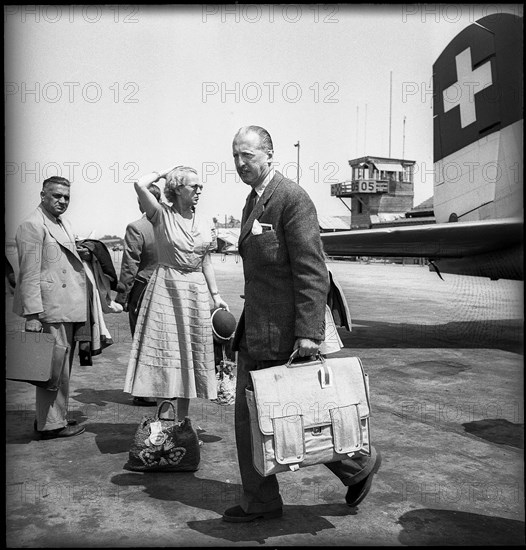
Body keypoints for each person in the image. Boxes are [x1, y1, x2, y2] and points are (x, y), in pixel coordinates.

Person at [222, 126, 382, 523]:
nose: (241, 163)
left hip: (286, 333)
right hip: (256, 330)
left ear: (270, 154)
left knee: (303, 413)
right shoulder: (252, 202)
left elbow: (313, 272)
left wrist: (309, 333)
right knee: (252, 419)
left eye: (248, 155)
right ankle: (261, 501)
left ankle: (359, 463)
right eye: (235, 156)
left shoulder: (291, 199)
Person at [123, 166, 229, 423]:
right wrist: (163, 173)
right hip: (167, 290)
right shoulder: (160, 214)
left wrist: (215, 295)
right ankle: (164, 425)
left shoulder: (205, 221)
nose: (199, 191)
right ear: (177, 188)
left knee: (190, 357)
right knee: (167, 356)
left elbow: (206, 262)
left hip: (195, 292)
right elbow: (139, 184)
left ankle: (181, 426)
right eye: (193, 186)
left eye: (201, 186)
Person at [13, 176, 89, 439]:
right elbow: (29, 275)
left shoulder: (60, 223)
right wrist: (32, 316)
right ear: (43, 195)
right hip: (49, 310)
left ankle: (54, 419)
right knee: (50, 371)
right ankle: (50, 425)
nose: (63, 201)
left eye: (67, 197)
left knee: (60, 371)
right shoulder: (32, 226)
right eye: (57, 196)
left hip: (65, 307)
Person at [115, 183, 161, 406]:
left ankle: (145, 392)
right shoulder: (172, 225)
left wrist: (122, 297)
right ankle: (165, 388)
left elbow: (129, 266)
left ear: (141, 202)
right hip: (168, 289)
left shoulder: (136, 227)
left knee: (142, 339)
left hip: (143, 290)